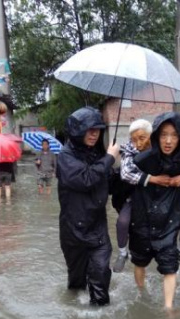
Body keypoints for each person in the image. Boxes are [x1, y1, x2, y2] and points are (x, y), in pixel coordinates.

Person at [129, 111, 180, 311]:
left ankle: (168, 307)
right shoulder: (141, 159)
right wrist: (152, 178)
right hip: (142, 217)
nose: (168, 141)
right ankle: (141, 293)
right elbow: (126, 173)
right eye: (163, 135)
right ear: (156, 136)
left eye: (174, 135)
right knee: (139, 261)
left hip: (169, 218)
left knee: (170, 266)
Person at [112, 118, 180, 273]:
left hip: (169, 195)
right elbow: (126, 173)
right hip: (138, 196)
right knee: (123, 221)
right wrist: (154, 179)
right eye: (134, 140)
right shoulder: (129, 151)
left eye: (142, 138)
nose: (138, 144)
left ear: (151, 136)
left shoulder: (164, 147)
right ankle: (122, 253)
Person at [57, 107, 119, 306]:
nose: (94, 134)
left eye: (98, 130)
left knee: (100, 276)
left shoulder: (98, 154)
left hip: (97, 229)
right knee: (76, 283)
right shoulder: (65, 157)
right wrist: (109, 158)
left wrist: (127, 168)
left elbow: (110, 184)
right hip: (73, 230)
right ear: (76, 131)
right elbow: (85, 179)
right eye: (89, 130)